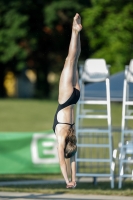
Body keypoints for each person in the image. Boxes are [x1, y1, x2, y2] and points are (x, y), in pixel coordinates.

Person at [53, 13, 82, 189]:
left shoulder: (72, 139)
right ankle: (74, 30)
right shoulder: (62, 139)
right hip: (65, 100)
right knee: (70, 60)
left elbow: (72, 162)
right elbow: (63, 162)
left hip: (75, 98)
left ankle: (77, 31)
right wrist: (66, 180)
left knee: (75, 59)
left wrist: (74, 179)